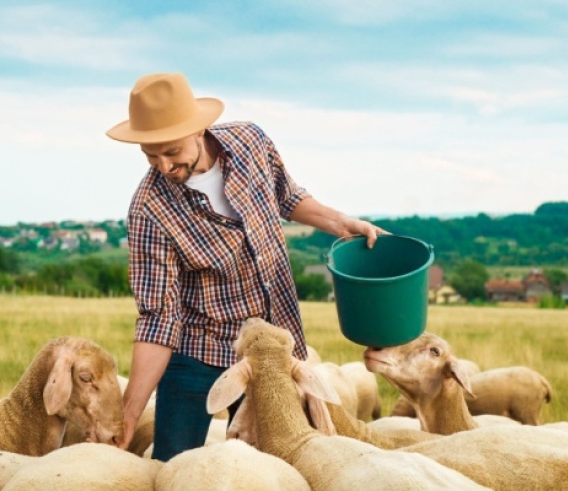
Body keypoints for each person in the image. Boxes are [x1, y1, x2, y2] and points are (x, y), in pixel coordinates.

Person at [106, 72, 387, 461]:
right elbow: (158, 319)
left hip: (269, 350)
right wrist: (129, 415)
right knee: (173, 465)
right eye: (150, 155)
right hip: (196, 352)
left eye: (171, 152)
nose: (163, 166)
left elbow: (286, 196)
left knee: (276, 463)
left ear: (199, 128)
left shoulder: (250, 142)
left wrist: (341, 223)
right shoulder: (149, 210)